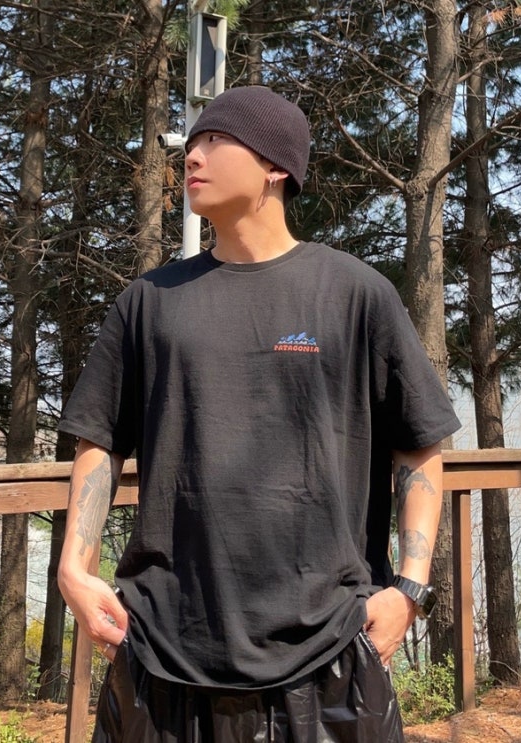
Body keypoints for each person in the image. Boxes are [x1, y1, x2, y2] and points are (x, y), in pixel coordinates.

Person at [57, 85, 461, 742]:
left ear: (276, 166)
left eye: (216, 139)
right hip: (164, 649)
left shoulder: (355, 294)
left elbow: (419, 445)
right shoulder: (149, 302)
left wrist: (409, 590)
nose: (193, 155)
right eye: (192, 142)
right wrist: (72, 570)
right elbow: (98, 440)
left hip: (328, 653)